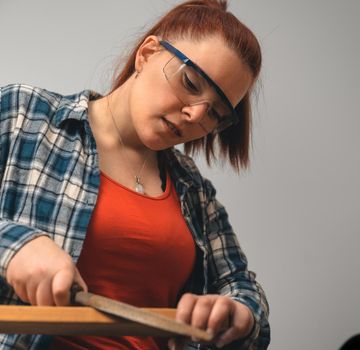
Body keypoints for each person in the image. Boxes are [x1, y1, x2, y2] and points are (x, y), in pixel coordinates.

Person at [0, 0, 270, 349]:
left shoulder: (193, 190)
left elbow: (243, 288)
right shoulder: (25, 115)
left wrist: (237, 312)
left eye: (216, 113)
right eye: (189, 82)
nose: (195, 115)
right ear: (147, 53)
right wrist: (15, 245)